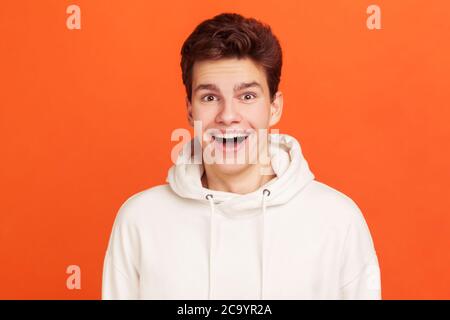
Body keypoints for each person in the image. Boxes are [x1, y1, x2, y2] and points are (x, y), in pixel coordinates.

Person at [102, 12, 381, 300]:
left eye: (247, 96)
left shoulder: (337, 220)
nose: (228, 116)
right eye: (210, 98)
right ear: (190, 110)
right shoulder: (140, 220)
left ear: (274, 108)